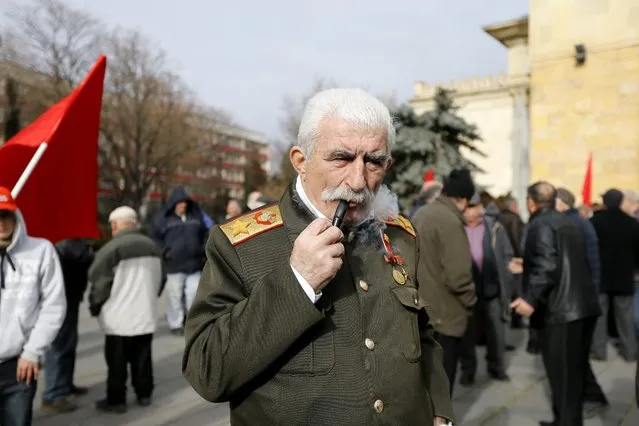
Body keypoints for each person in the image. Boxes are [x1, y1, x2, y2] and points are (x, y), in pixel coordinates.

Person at [182, 88, 454, 425]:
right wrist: (297, 282)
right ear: (301, 161)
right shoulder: (239, 243)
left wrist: (439, 409)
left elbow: (423, 334)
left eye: (374, 161)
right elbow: (208, 371)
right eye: (341, 158)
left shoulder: (401, 235)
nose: (358, 181)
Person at [511, 182, 601, 426]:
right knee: (573, 376)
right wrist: (527, 264)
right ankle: (565, 420)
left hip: (563, 311)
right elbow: (559, 259)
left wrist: (530, 299)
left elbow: (548, 265)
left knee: (563, 377)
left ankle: (566, 421)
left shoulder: (541, 224)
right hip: (581, 307)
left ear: (531, 202)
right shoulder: (567, 221)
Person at [89, 206, 166, 413]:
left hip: (118, 318)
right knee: (143, 359)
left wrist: (94, 306)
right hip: (145, 314)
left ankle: (117, 400)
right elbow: (161, 279)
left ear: (115, 225)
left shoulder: (110, 250)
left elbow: (99, 284)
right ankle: (144, 394)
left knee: (117, 363)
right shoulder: (153, 247)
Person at [0, 186, 66, 425]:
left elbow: (54, 305)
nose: (2, 223)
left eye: (6, 215)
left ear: (15, 215)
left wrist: (32, 351)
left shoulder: (41, 250)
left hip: (20, 365)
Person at [412, 168, 477, 394]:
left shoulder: (422, 214)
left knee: (427, 386)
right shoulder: (450, 221)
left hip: (424, 310)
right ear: (461, 198)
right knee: (443, 388)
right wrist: (471, 300)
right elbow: (457, 276)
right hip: (446, 315)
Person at [555, 187, 608, 417]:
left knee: (576, 356)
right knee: (577, 356)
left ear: (562, 203)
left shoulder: (571, 224)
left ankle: (593, 397)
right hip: (584, 297)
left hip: (578, 300)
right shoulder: (577, 222)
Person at [458, 195, 514, 386]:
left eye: (474, 207)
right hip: (466, 290)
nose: (470, 211)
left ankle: (496, 367)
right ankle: (468, 370)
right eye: (467, 207)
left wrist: (507, 281)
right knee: (467, 335)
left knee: (496, 332)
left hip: (492, 290)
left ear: (480, 207)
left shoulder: (495, 228)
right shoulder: (456, 228)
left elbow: (507, 256)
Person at [41, 238, 95, 413]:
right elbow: (76, 257)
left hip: (71, 294)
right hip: (58, 298)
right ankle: (53, 394)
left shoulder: (72, 238)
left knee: (69, 343)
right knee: (58, 345)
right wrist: (89, 253)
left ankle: (65, 385)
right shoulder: (59, 240)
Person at [151, 187, 209, 336]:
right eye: (180, 203)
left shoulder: (195, 218)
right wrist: (164, 252)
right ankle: (175, 323)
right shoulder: (163, 220)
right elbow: (155, 239)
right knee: (174, 296)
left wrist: (203, 249)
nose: (183, 205)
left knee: (194, 294)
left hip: (194, 264)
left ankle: (191, 322)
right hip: (173, 265)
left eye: (185, 203)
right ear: (174, 204)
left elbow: (205, 234)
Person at [590, 189, 639, 361]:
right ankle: (630, 351)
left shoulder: (594, 222)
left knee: (599, 317)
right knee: (625, 317)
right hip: (624, 277)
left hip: (600, 277)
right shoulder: (631, 223)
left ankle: (599, 351)